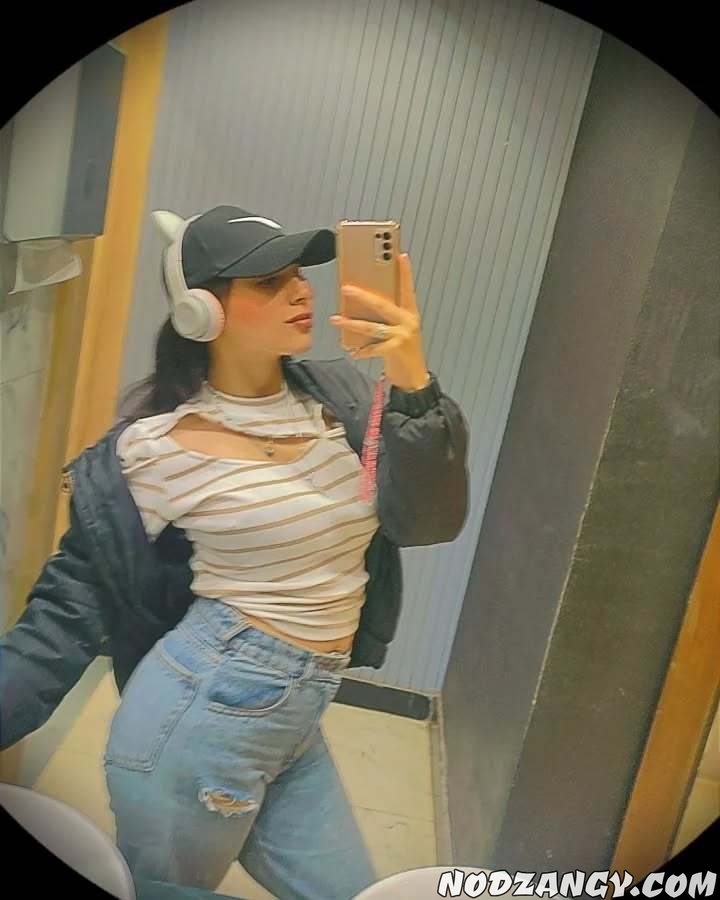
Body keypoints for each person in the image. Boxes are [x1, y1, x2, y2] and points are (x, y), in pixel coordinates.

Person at [0, 205, 469, 899]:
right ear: (201, 311)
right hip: (199, 713)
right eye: (270, 281)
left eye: (301, 274)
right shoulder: (152, 450)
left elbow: (428, 522)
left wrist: (413, 381)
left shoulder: (344, 400)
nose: (302, 291)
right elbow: (62, 615)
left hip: (295, 714)